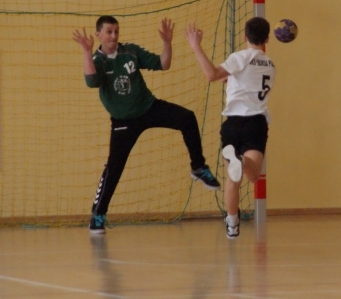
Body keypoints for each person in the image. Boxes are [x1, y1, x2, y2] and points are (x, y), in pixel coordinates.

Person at [73, 16, 219, 235]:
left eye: (116, 31)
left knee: (187, 118)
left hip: (149, 108)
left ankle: (198, 167)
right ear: (98, 35)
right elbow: (92, 82)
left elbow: (163, 64)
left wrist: (167, 42)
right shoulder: (98, 60)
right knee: (114, 168)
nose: (114, 35)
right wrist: (86, 51)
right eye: (109, 31)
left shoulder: (130, 51)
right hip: (123, 121)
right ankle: (98, 215)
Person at [185, 18, 275, 239]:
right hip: (255, 123)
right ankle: (242, 162)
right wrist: (232, 80)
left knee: (233, 179)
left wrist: (196, 46)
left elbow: (212, 75)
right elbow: (248, 81)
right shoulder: (270, 64)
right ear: (267, 39)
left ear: (244, 36)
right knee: (253, 175)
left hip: (233, 124)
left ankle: (232, 223)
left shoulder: (240, 57)